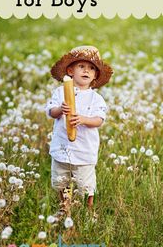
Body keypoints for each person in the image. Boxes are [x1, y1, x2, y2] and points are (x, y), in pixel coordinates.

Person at [45, 46, 113, 209]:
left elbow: (99, 120)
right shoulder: (60, 92)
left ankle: (88, 210)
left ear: (95, 75)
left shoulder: (96, 98)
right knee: (61, 180)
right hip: (62, 146)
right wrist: (61, 109)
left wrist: (83, 119)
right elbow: (51, 111)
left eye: (91, 68)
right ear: (70, 70)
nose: (86, 71)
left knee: (85, 183)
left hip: (84, 149)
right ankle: (64, 206)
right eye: (81, 66)